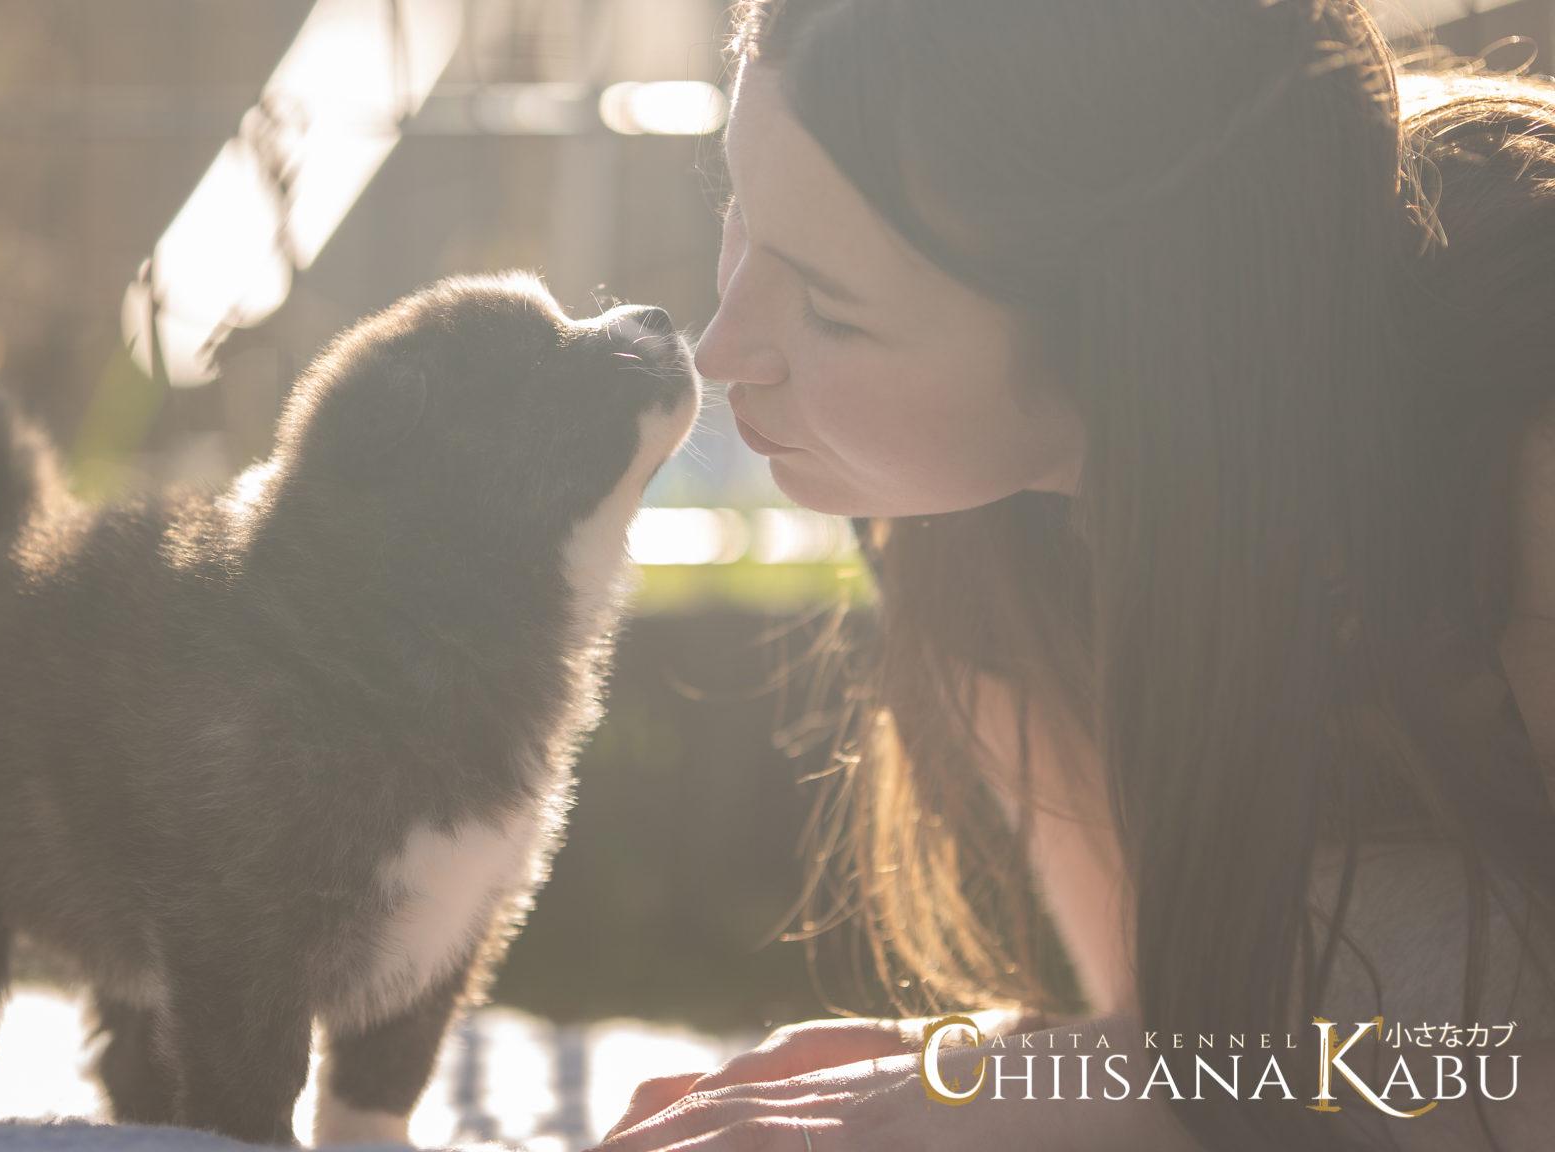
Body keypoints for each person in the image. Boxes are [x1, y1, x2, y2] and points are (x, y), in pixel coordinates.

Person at [588, 1, 1555, 1149]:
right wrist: (990, 1071)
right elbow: (1170, 1028)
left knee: (1385, 941)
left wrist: (1079, 1096)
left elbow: (1190, 1074)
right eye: (739, 212)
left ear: (1129, 339)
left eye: (832, 311)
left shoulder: (1512, 411)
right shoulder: (964, 519)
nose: (716, 349)